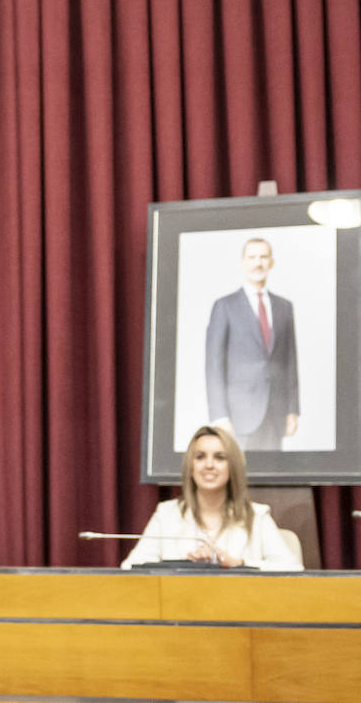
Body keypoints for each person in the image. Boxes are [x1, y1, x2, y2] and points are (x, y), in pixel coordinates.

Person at [121, 425, 302, 570]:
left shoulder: (257, 516)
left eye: (219, 457)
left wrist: (238, 564)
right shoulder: (167, 514)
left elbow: (292, 570)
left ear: (232, 467)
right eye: (200, 457)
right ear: (191, 467)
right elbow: (129, 568)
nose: (209, 465)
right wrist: (182, 567)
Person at [205, 237, 299, 450]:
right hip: (239, 416)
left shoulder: (284, 307)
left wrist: (292, 410)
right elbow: (214, 364)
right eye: (252, 257)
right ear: (243, 262)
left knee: (273, 477)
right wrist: (219, 414)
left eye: (264, 257)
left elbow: (290, 361)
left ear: (271, 262)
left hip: (276, 413)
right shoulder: (224, 306)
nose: (258, 263)